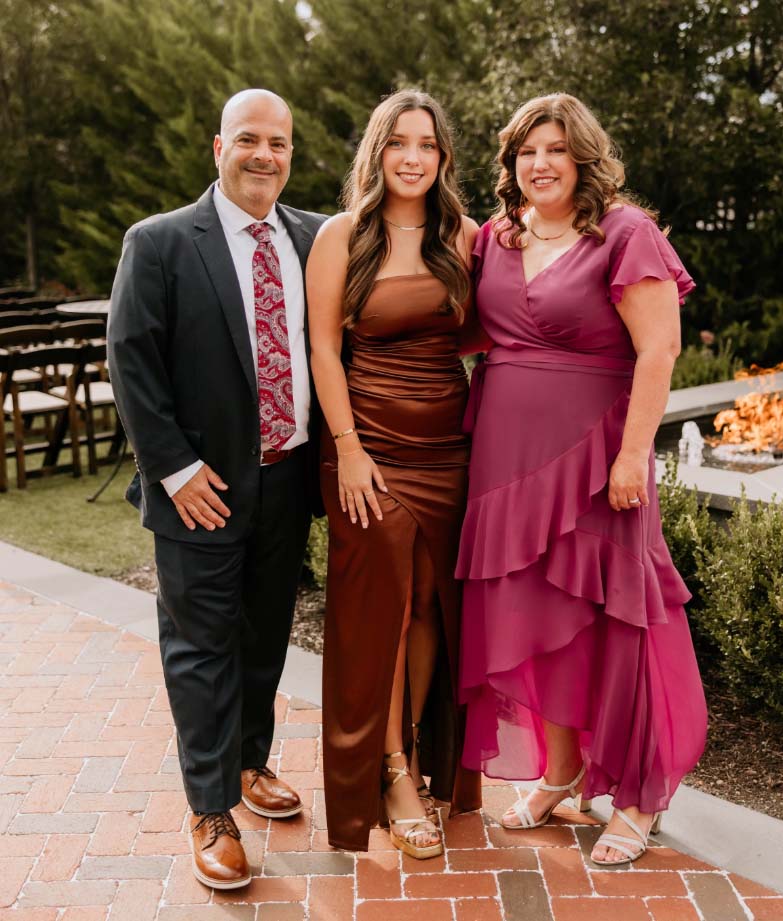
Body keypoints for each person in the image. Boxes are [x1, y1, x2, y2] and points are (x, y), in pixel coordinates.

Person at [455, 93, 707, 865]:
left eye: (557, 150)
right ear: (511, 163)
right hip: (506, 461)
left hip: (601, 459)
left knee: (615, 617)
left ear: (583, 158)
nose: (540, 164)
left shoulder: (625, 233)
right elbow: (463, 330)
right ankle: (561, 770)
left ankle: (637, 797)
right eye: (528, 151)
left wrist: (634, 455)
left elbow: (659, 351)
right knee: (533, 613)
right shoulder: (494, 238)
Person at [108, 89, 326, 890]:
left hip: (288, 478)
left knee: (265, 635)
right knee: (200, 649)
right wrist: (173, 468)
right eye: (249, 140)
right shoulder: (160, 242)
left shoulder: (313, 238)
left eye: (279, 142)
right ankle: (209, 807)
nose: (264, 154)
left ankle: (250, 762)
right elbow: (130, 359)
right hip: (200, 488)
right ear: (218, 147)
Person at [307, 89, 484, 857]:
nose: (413, 156)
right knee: (377, 610)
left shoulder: (468, 238)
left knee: (427, 612)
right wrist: (346, 445)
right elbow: (322, 348)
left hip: (449, 451)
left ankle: (412, 750)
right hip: (366, 452)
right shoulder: (342, 236)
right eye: (399, 142)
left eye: (428, 145)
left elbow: (494, 333)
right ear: (377, 151)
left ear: (443, 158)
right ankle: (388, 768)